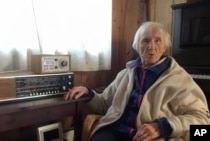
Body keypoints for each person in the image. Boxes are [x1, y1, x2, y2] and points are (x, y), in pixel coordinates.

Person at [63, 21, 210, 141]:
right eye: (145, 41)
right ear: (137, 46)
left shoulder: (179, 79)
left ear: (164, 47)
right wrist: (88, 93)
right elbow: (104, 104)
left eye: (157, 41)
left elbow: (202, 119)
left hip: (149, 137)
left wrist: (162, 127)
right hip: (115, 130)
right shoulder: (126, 74)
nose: (151, 46)